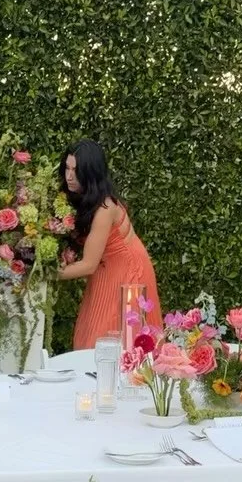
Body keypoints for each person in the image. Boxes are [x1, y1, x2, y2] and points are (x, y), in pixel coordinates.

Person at [58, 139, 162, 349]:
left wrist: (46, 274)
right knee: (95, 333)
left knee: (114, 338)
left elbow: (88, 265)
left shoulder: (105, 208)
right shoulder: (82, 198)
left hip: (128, 273)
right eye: (67, 168)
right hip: (106, 268)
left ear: (90, 173)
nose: (69, 176)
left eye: (76, 171)